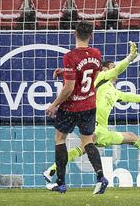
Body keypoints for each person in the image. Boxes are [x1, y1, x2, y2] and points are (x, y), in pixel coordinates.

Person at [43, 45, 140, 185]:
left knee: (127, 138)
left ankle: (52, 170)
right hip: (93, 126)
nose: (115, 70)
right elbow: (106, 71)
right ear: (104, 69)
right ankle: (52, 170)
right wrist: (129, 59)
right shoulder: (100, 79)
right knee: (87, 146)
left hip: (102, 130)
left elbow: (137, 97)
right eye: (112, 67)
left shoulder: (115, 92)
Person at [46, 21, 107, 194]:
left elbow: (69, 88)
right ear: (91, 35)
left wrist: (54, 104)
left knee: (60, 139)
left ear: (75, 33)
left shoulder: (70, 56)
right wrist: (66, 72)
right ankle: (101, 177)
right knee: (88, 141)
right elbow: (89, 74)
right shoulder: (96, 53)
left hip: (72, 106)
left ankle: (61, 183)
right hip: (89, 104)